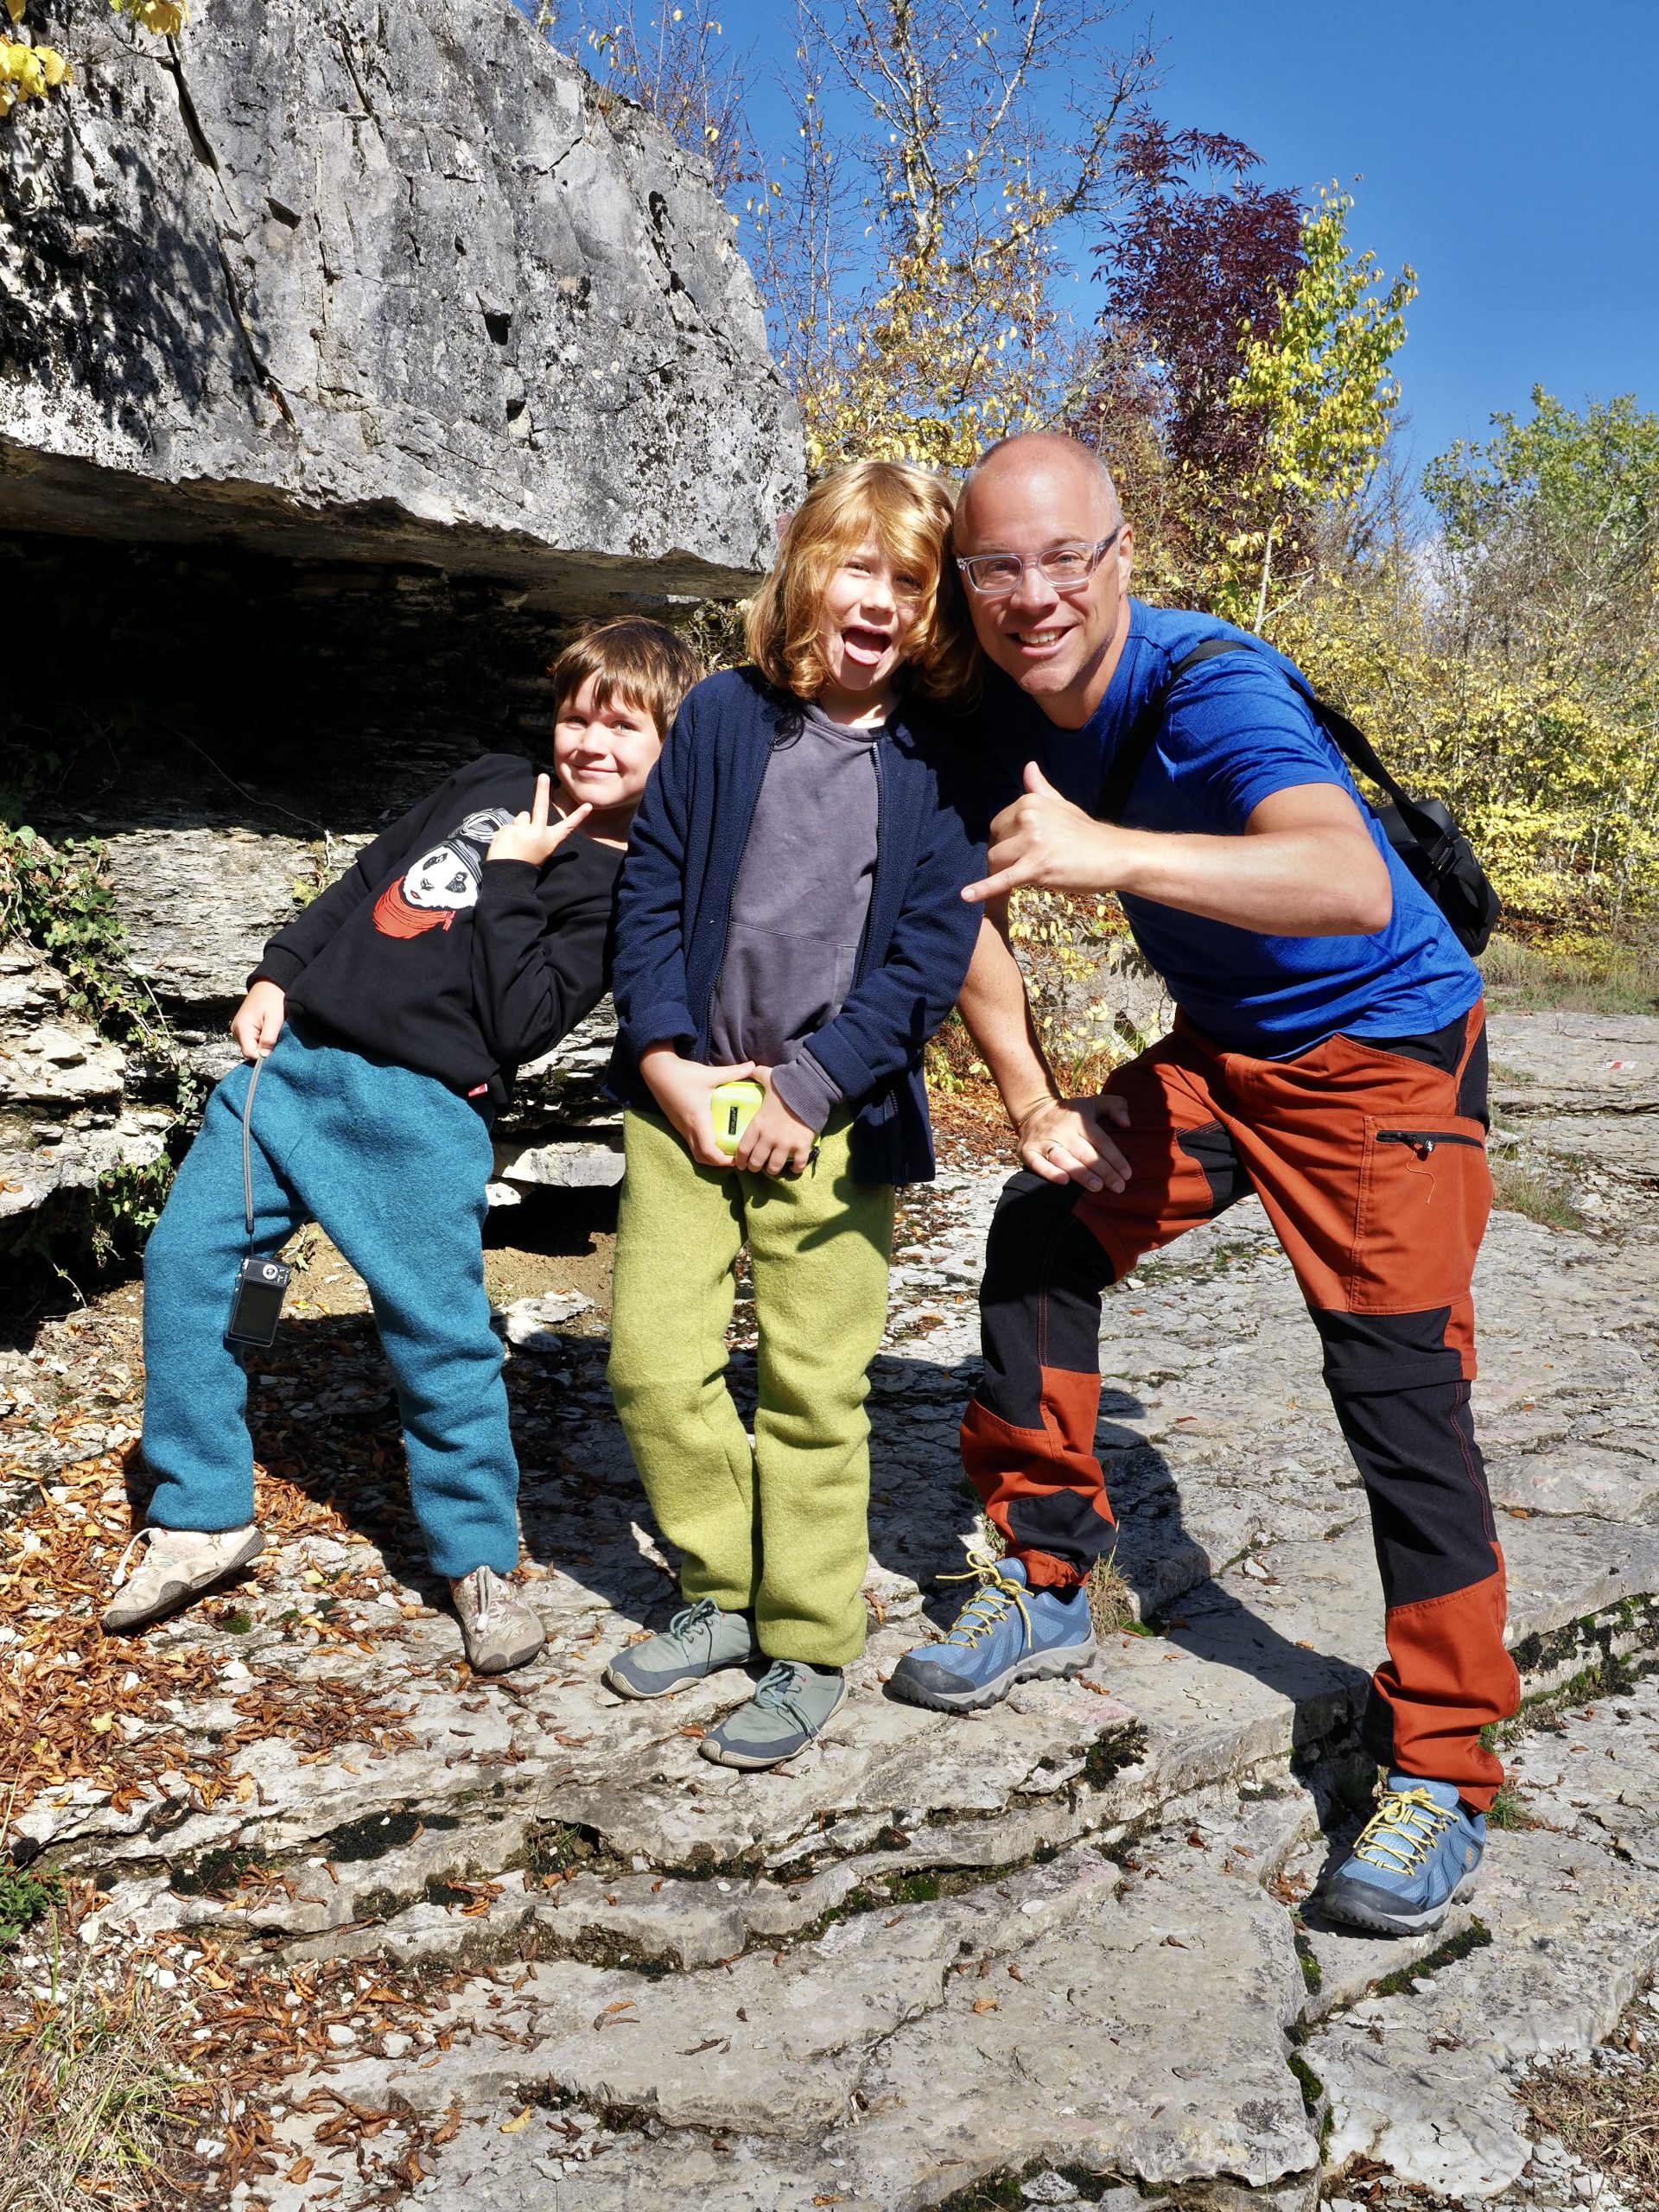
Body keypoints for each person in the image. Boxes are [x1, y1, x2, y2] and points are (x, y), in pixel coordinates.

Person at [887, 431, 1518, 1937]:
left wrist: (1109, 850)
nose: (1033, 595)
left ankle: (1443, 1766)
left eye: (1064, 559)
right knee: (1047, 1225)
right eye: (996, 567)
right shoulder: (981, 708)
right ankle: (1044, 1572)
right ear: (964, 582)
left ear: (1121, 559)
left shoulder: (1209, 685)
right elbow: (966, 901)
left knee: (1398, 1392)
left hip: (1383, 1060)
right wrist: (1035, 1099)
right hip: (1228, 1049)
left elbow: (1345, 881)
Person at [104, 618, 702, 1675]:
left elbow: (520, 1023)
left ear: (671, 744)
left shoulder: (625, 885)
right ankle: (202, 1513)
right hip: (293, 1070)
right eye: (576, 717)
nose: (590, 744)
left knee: (438, 1337)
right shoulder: (488, 780)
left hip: (422, 1115)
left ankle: (476, 1561)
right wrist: (276, 973)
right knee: (189, 1258)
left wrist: (516, 874)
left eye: (624, 728)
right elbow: (371, 876)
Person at [599, 460, 983, 1769]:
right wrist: (665, 1065)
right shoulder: (720, 718)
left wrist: (809, 1091)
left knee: (816, 1392)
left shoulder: (940, 765)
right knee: (655, 1365)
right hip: (687, 1100)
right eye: (856, 567)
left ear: (932, 614)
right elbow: (649, 895)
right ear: (804, 571)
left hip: (836, 1118)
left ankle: (809, 1636)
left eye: (909, 582)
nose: (877, 602)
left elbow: (926, 963)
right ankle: (720, 1589)